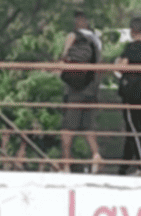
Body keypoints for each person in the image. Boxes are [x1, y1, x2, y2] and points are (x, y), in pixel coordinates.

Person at [60, 9, 103, 173]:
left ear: (78, 22)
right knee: (88, 125)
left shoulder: (73, 36)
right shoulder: (96, 40)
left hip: (75, 87)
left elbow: (65, 56)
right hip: (91, 87)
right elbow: (99, 64)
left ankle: (66, 163)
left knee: (68, 126)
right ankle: (96, 155)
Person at [115, 17, 141, 176]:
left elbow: (121, 67)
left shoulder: (130, 48)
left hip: (130, 93)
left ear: (132, 31)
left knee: (133, 129)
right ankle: (125, 167)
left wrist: (118, 63)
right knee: (136, 128)